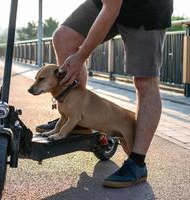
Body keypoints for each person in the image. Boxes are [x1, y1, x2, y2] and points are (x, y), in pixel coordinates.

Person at [36, 0, 173, 188]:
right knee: (64, 37)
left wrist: (81, 56)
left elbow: (112, 9)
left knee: (145, 81)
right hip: (107, 3)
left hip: (145, 8)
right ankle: (77, 119)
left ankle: (137, 163)